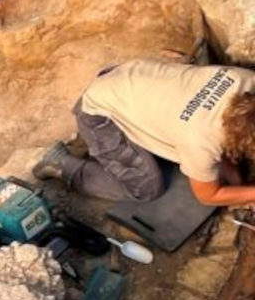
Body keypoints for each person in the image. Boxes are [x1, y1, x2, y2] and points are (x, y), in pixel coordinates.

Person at [36, 57, 255, 205]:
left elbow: (227, 150)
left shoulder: (246, 79)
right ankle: (61, 163)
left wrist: (240, 187)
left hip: (131, 75)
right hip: (100, 111)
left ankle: (141, 134)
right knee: (146, 188)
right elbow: (207, 195)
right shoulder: (201, 140)